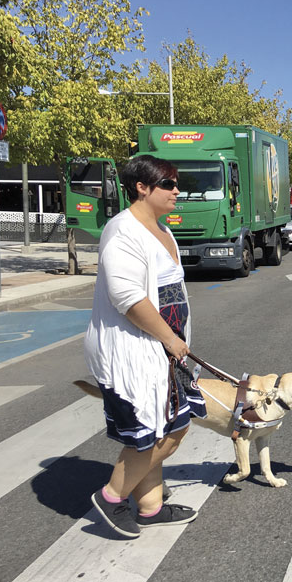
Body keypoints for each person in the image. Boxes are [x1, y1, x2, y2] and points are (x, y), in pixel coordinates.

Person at [85, 155, 206, 539]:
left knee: (163, 426)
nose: (177, 190)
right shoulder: (123, 232)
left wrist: (176, 340)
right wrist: (169, 338)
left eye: (176, 183)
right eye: (168, 184)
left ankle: (150, 507)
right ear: (141, 187)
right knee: (164, 431)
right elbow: (128, 298)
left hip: (166, 351)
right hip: (135, 351)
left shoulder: (162, 230)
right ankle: (111, 496)